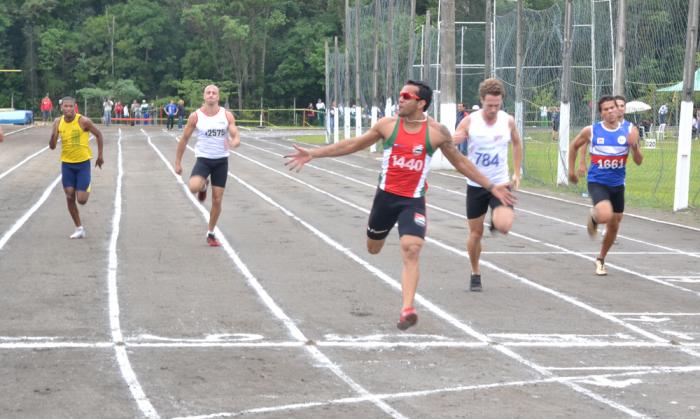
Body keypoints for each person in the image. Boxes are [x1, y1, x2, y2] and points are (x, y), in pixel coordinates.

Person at [284, 80, 515, 330]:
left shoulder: (436, 132)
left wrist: (491, 186)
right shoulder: (387, 125)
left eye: (406, 96)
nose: (400, 99)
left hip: (412, 201)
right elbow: (352, 144)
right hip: (385, 199)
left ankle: (407, 309)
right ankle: (381, 245)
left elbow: (461, 162)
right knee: (373, 248)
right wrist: (313, 154)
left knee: (411, 249)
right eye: (401, 95)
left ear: (421, 103)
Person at [453, 78, 523, 292]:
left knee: (504, 225)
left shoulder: (507, 121)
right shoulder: (469, 122)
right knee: (475, 234)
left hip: (500, 183)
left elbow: (517, 142)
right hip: (476, 184)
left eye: (497, 105)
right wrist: (453, 139)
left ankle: (497, 217)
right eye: (489, 105)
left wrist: (517, 171)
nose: (493, 109)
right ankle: (475, 272)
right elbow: (454, 145)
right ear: (481, 101)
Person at [568, 95, 643, 275]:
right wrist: (572, 170)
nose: (610, 112)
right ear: (601, 113)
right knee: (604, 214)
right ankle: (595, 216)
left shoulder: (630, 130)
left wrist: (634, 147)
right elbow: (574, 146)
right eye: (606, 109)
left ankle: (601, 259)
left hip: (618, 184)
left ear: (618, 110)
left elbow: (639, 161)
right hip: (597, 182)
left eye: (612, 108)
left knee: (615, 224)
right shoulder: (592, 130)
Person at [174, 85, 240, 247]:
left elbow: (235, 133)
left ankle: (210, 232)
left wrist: (235, 142)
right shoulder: (195, 116)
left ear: (218, 96)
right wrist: (177, 162)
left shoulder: (226, 115)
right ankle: (203, 186)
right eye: (208, 93)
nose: (211, 95)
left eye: (214, 93)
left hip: (221, 162)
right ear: (204, 96)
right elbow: (184, 139)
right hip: (203, 159)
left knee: (217, 200)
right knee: (193, 187)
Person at [49, 96, 104, 239]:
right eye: (65, 106)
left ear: (75, 107)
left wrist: (100, 156)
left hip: (82, 164)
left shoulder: (83, 121)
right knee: (69, 196)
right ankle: (79, 228)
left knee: (82, 200)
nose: (68, 109)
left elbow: (98, 135)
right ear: (61, 107)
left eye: (70, 106)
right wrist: (54, 135)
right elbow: (52, 147)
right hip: (67, 164)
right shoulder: (57, 122)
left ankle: (87, 185)